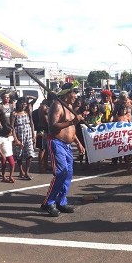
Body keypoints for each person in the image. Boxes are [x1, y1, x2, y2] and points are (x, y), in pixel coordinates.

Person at [41, 83, 84, 217]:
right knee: (61, 173)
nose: (75, 96)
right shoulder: (57, 105)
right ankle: (48, 203)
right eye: (74, 93)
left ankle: (61, 201)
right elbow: (53, 127)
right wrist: (73, 122)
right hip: (56, 142)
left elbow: (70, 129)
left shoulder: (69, 107)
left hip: (67, 145)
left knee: (68, 173)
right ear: (67, 93)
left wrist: (78, 142)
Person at [11, 97, 36, 180]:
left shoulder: (28, 112)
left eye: (25, 103)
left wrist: (33, 135)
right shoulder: (14, 113)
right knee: (19, 154)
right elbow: (12, 127)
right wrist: (15, 139)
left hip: (28, 134)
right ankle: (21, 171)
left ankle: (27, 172)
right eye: (22, 103)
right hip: (19, 135)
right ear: (18, 104)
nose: (23, 105)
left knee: (30, 153)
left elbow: (32, 123)